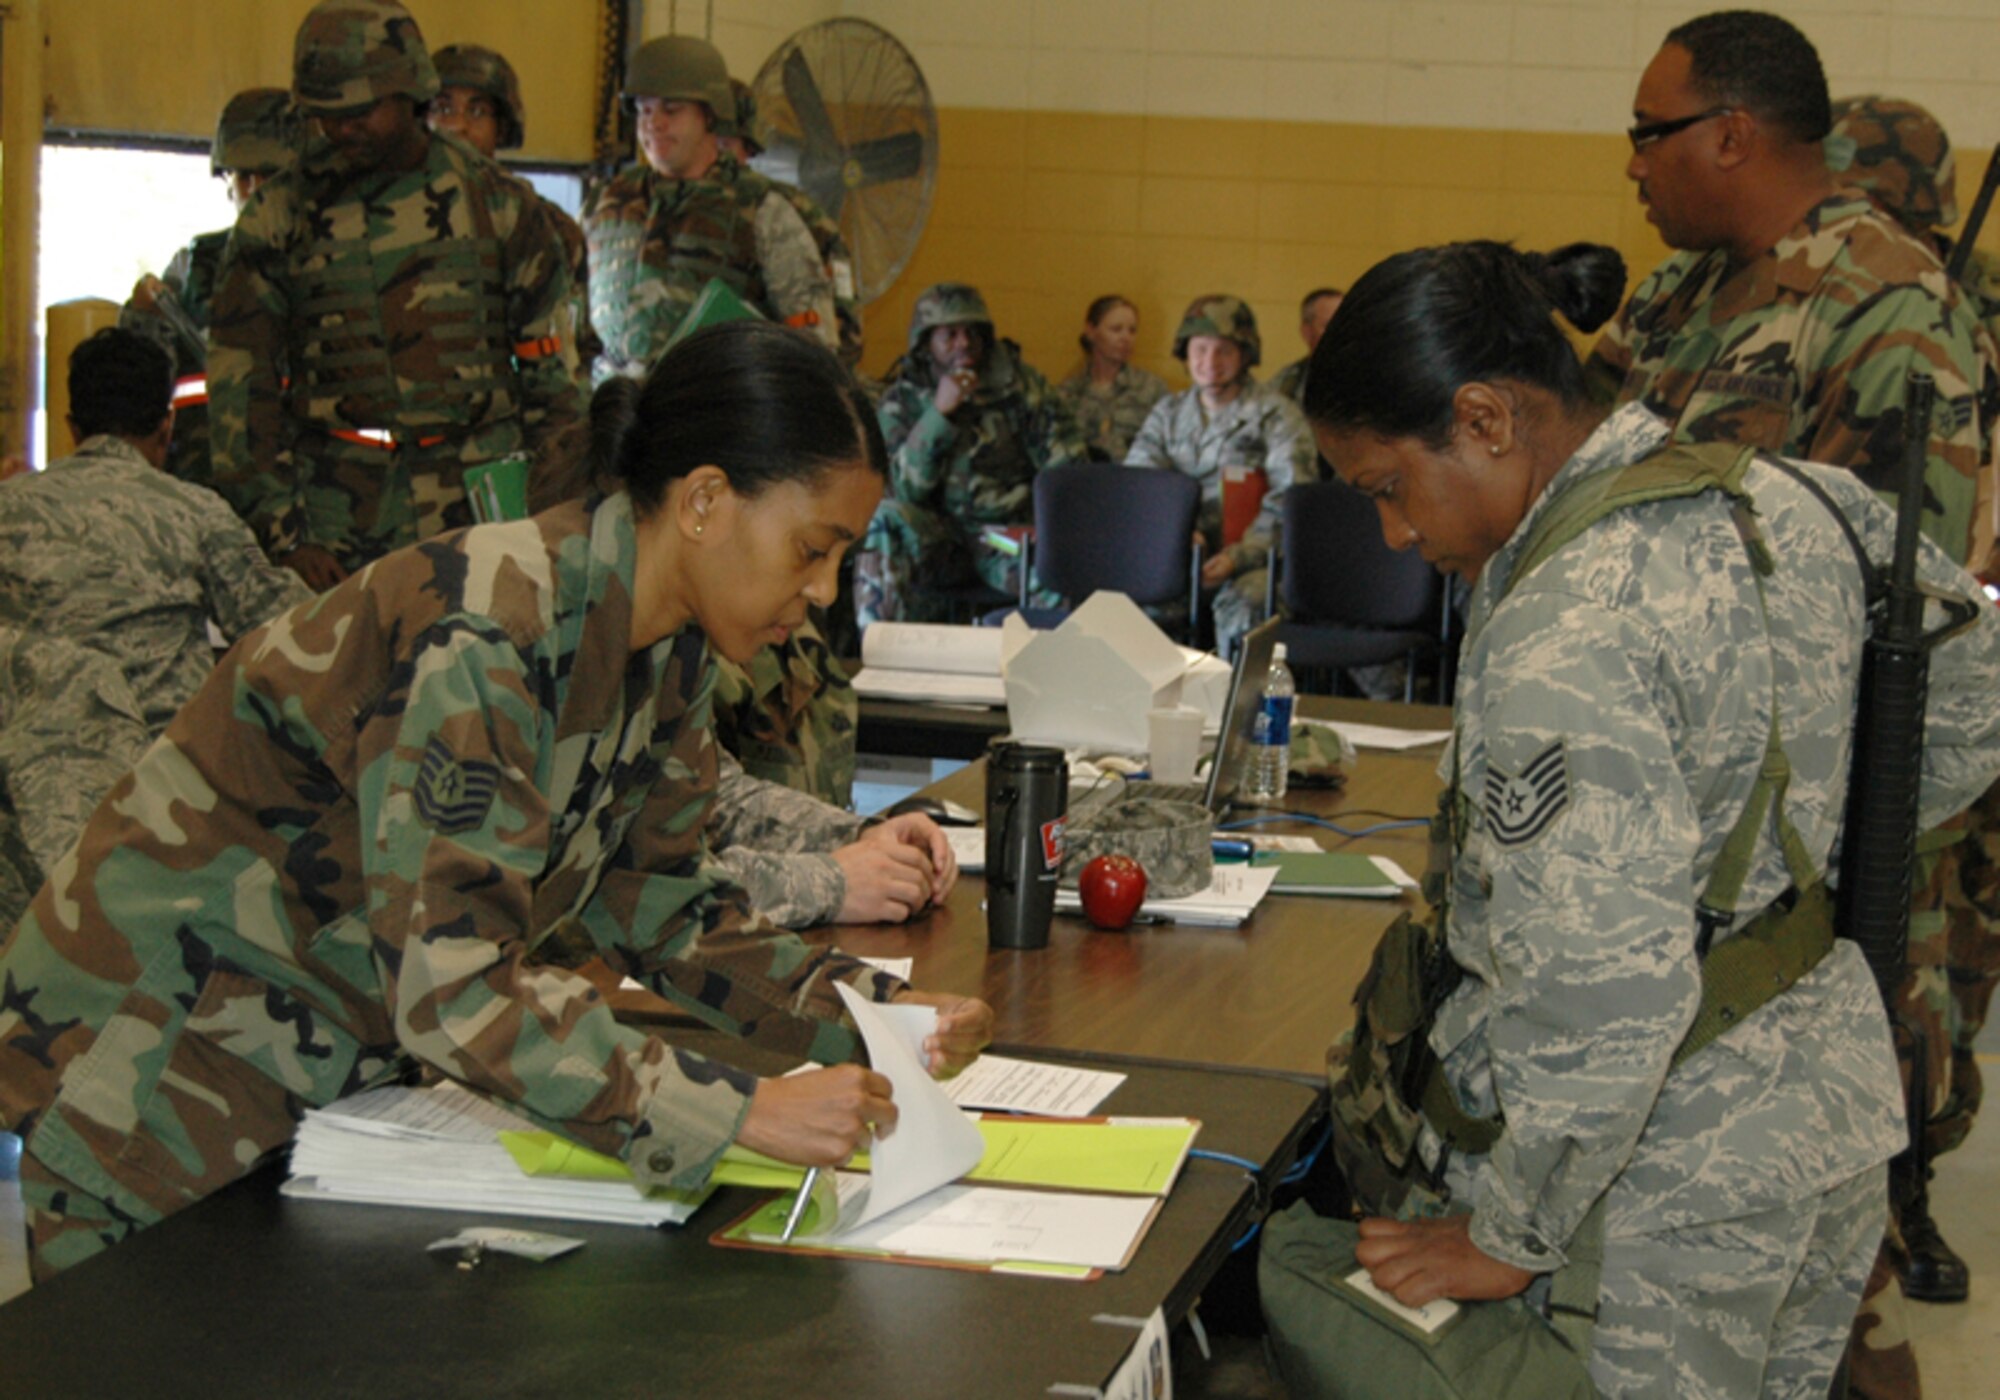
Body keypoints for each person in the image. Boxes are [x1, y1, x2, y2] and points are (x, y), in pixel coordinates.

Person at [0, 318, 994, 1282]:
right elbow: (456, 986)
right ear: (703, 501)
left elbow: (662, 908)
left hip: (302, 1065)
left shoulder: (664, 654)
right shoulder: (485, 633)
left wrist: (877, 1014)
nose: (823, 590)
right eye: (810, 548)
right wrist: (739, 1111)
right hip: (148, 1074)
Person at [1262, 239, 2000, 1399]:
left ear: (1485, 418)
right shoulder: (1795, 495)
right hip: (1825, 1111)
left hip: (1663, 1190)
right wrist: (1790, 852)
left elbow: (1600, 990)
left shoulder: (1562, 630)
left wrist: (1508, 1231)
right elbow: (1966, 691)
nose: (1395, 536)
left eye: (1387, 488)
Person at [1580, 17, 1997, 1387]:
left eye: (1650, 132)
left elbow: (1898, 618)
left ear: (1731, 135)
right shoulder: (1687, 297)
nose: (1630, 161)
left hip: (1840, 846)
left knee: (1829, 1227)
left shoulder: (1891, 307)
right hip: (1696, 811)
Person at [208, 0, 585, 590]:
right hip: (333, 521)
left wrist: (548, 516)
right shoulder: (277, 218)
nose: (342, 128)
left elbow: (553, 384)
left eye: (361, 110)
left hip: (481, 510)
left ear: (411, 92)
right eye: (325, 114)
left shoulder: (500, 206)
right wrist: (283, 537)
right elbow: (240, 388)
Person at [1824, 90, 2000, 1326]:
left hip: (1966, 672)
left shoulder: (1966, 306)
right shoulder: (1809, 298)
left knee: (1943, 957)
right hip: (1842, 666)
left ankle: (1908, 1181)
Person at [581, 36, 836, 383]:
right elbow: (570, 325)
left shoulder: (761, 210)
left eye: (671, 110)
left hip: (715, 422)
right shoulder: (606, 204)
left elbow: (813, 352)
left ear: (710, 115)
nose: (654, 124)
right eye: (644, 109)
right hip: (618, 421)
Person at [853, 282, 1088, 627]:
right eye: (949, 335)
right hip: (940, 538)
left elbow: (1069, 470)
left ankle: (1057, 672)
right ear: (926, 342)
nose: (963, 343)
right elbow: (901, 490)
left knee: (1056, 568)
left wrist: (1046, 527)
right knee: (884, 521)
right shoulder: (901, 400)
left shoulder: (1022, 387)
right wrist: (938, 414)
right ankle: (881, 657)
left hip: (1003, 539)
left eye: (971, 333)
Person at [120, 87, 301, 491]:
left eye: (268, 175)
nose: (253, 191)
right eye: (242, 175)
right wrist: (141, 319)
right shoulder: (193, 268)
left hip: (304, 493)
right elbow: (138, 386)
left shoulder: (334, 259)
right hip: (203, 490)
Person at [1123, 294, 1314, 656]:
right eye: (1200, 349)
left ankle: (1229, 707)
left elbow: (1291, 498)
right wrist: (1176, 536)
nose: (1210, 362)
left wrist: (1238, 557)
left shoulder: (1276, 414)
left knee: (1244, 606)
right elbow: (1140, 488)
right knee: (1120, 609)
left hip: (1257, 564)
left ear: (1245, 354)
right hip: (1179, 560)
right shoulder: (1169, 413)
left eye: (1223, 351)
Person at [427, 42, 600, 376]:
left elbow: (571, 353)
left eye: (477, 112)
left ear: (501, 128)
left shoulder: (547, 227)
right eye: (443, 108)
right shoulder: (388, 215)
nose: (457, 126)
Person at [717, 76, 865, 373]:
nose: (715, 155)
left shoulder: (797, 216)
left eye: (724, 143)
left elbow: (846, 336)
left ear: (748, 146)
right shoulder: (660, 204)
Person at [1056, 295, 1169, 462]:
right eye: (1116, 329)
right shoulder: (1068, 393)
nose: (1126, 338)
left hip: (1135, 482)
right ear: (1091, 331)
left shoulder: (1152, 389)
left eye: (1132, 331)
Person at [1269, 287, 1343, 404]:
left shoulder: (1371, 379)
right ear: (1307, 332)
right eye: (1329, 325)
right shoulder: (1287, 384)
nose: (1340, 331)